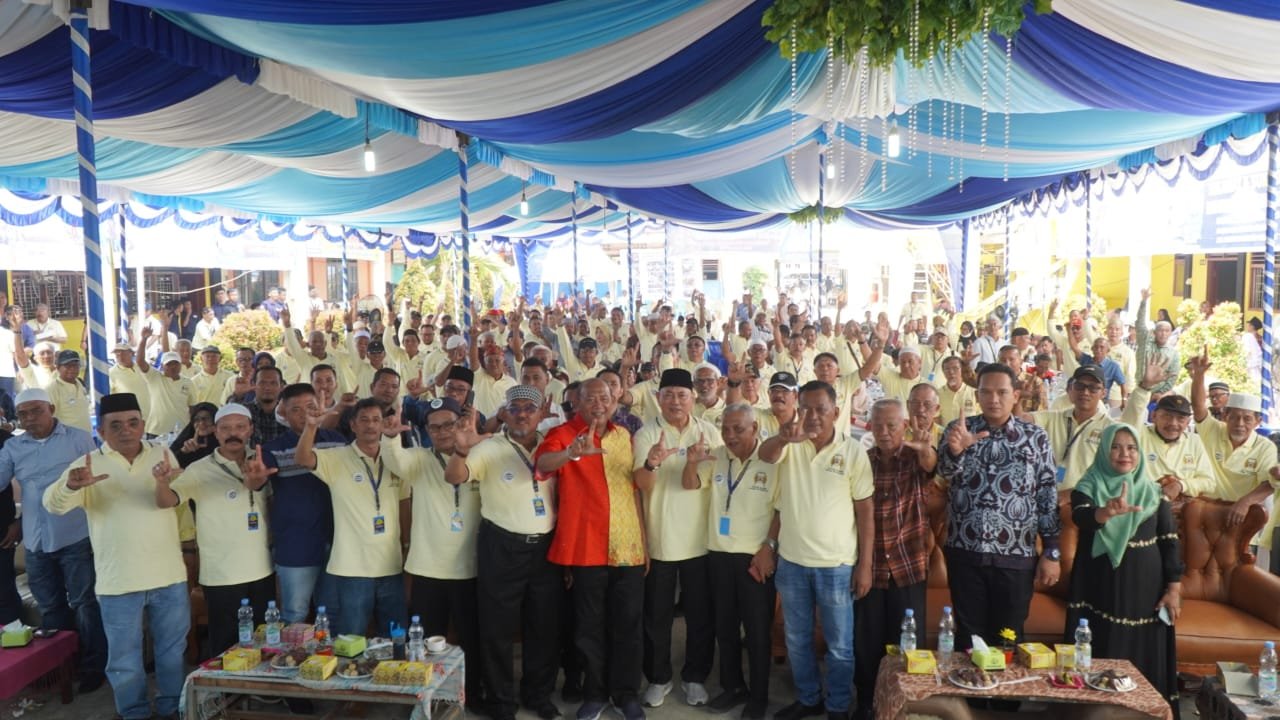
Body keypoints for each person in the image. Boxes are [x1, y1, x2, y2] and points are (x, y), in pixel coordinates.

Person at [43, 393, 190, 720]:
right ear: (101, 429)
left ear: (142, 424)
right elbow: (52, 505)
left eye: (133, 423)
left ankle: (171, 710)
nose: (126, 431)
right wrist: (70, 486)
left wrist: (164, 481)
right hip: (118, 582)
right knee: (124, 661)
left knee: (171, 654)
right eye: (116, 425)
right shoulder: (87, 464)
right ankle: (134, 713)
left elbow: (173, 500)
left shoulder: (163, 454)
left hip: (169, 577)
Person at [758, 380, 873, 720]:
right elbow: (765, 455)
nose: (812, 416)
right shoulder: (789, 446)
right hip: (792, 563)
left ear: (836, 413)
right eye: (805, 408)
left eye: (820, 409)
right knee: (797, 640)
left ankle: (837, 705)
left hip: (837, 566)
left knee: (839, 647)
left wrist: (864, 565)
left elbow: (865, 512)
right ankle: (809, 699)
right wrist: (783, 437)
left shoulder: (853, 452)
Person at [446, 386, 561, 720]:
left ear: (541, 413)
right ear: (505, 413)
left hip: (545, 549)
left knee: (544, 626)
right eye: (516, 408)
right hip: (502, 547)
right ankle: (501, 703)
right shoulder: (489, 447)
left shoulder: (551, 444)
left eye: (529, 408)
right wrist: (461, 450)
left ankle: (539, 695)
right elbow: (454, 476)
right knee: (497, 630)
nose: (522, 413)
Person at [537, 378, 648, 720]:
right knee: (589, 628)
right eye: (590, 398)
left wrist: (645, 543)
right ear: (576, 402)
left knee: (628, 625)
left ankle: (626, 693)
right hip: (587, 548)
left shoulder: (623, 436)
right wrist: (570, 453)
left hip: (628, 545)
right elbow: (542, 465)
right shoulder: (562, 433)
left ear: (616, 399)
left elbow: (635, 492)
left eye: (605, 396)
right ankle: (595, 694)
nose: (599, 403)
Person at [937, 364, 1060, 650]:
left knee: (1009, 638)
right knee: (969, 638)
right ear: (977, 395)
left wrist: (1052, 551)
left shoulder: (1035, 438)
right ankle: (973, 695)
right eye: (986, 392)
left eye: (1002, 392)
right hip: (965, 553)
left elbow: (1047, 496)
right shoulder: (959, 431)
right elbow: (944, 471)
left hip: (1015, 558)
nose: (994, 399)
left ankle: (1005, 696)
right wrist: (957, 451)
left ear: (1015, 395)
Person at [1067, 423, 1183, 710]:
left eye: (1131, 447)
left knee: (1145, 650)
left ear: (1140, 452)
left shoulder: (1153, 493)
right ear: (1104, 451)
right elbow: (1081, 517)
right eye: (1115, 447)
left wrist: (1174, 588)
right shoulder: (1088, 485)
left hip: (1147, 589)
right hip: (1098, 585)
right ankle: (1095, 712)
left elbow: (1169, 542)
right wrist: (1105, 512)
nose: (1124, 454)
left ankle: (1144, 711)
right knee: (1101, 643)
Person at [383, 396, 485, 708]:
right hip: (428, 569)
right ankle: (429, 697)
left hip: (471, 568)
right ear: (426, 430)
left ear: (462, 423)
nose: (441, 432)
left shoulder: (479, 456)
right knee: (428, 640)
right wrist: (390, 436)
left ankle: (473, 694)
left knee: (472, 639)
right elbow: (394, 461)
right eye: (434, 427)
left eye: (449, 424)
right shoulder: (419, 459)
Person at [0, 388, 105, 691]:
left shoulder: (78, 438)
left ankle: (92, 666)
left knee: (85, 604)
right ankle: (61, 669)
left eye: (36, 411)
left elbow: (95, 482)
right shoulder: (13, 447)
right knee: (50, 608)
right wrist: (19, 520)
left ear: (52, 408)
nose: (30, 419)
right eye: (23, 414)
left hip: (75, 535)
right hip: (35, 540)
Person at [681, 404, 779, 720]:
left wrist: (768, 548)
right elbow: (691, 484)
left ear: (755, 430)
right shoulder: (718, 455)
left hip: (754, 558)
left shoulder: (772, 461)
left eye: (739, 429)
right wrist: (691, 464)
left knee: (757, 630)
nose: (731, 434)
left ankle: (759, 696)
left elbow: (780, 510)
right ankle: (733, 686)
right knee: (724, 626)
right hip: (718, 554)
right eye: (726, 428)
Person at [633, 368, 721, 708]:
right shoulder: (646, 435)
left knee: (701, 615)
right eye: (668, 394)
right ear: (658, 398)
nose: (675, 401)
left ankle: (695, 677)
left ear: (693, 398)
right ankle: (658, 678)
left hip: (700, 541)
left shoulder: (710, 433)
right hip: (660, 540)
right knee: (656, 618)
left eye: (682, 395)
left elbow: (708, 482)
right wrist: (652, 464)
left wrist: (693, 464)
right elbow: (641, 484)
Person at [162, 404, 277, 656]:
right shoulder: (199, 469)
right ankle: (225, 696)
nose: (232, 433)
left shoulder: (261, 461)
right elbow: (168, 500)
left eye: (239, 427)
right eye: (225, 428)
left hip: (262, 569)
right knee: (226, 647)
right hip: (220, 574)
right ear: (215, 431)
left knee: (264, 643)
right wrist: (161, 482)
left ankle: (264, 695)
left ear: (250, 430)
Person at [295, 398, 409, 636]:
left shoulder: (396, 459)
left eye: (376, 420)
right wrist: (312, 426)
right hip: (352, 568)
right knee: (351, 638)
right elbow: (303, 458)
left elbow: (404, 505)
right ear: (353, 425)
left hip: (391, 565)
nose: (370, 425)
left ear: (382, 425)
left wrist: (407, 547)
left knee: (396, 638)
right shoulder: (337, 457)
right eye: (364, 420)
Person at [854, 398, 935, 720]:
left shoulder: (916, 457)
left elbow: (931, 463)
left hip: (908, 566)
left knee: (906, 646)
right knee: (867, 644)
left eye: (892, 425)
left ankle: (904, 706)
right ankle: (866, 704)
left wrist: (925, 447)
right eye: (878, 425)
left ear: (904, 425)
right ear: (869, 427)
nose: (885, 432)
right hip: (869, 568)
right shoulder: (862, 461)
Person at [261, 383, 345, 623]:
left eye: (311, 406)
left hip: (335, 540)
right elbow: (256, 482)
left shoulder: (337, 442)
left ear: (321, 405)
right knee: (295, 613)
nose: (306, 414)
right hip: (295, 544)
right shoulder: (272, 450)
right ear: (284, 415)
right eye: (296, 409)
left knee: (331, 612)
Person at [1121, 360, 1216, 501]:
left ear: (1188, 422)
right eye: (1167, 416)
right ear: (1153, 416)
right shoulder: (1139, 435)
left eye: (1180, 419)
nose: (1173, 423)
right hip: (1143, 504)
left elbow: (1209, 482)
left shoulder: (1194, 441)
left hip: (1181, 508)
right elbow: (1131, 417)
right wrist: (1145, 387)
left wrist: (1181, 485)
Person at [1030, 365, 1115, 490]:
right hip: (1048, 494)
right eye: (1080, 386)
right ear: (1071, 388)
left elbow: (1111, 475)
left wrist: (1072, 495)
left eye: (1093, 388)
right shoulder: (1054, 417)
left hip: (1085, 500)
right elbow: (1019, 420)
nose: (1085, 392)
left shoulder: (1110, 428)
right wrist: (1019, 397)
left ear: (1103, 393)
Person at [1136, 290, 1179, 397]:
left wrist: (1160, 393)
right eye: (1160, 330)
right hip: (1139, 390)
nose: (1163, 333)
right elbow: (1140, 323)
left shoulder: (1173, 353)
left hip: (1157, 397)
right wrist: (1144, 302)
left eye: (1166, 331)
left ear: (1170, 333)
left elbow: (1173, 376)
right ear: (1154, 332)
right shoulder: (1145, 342)